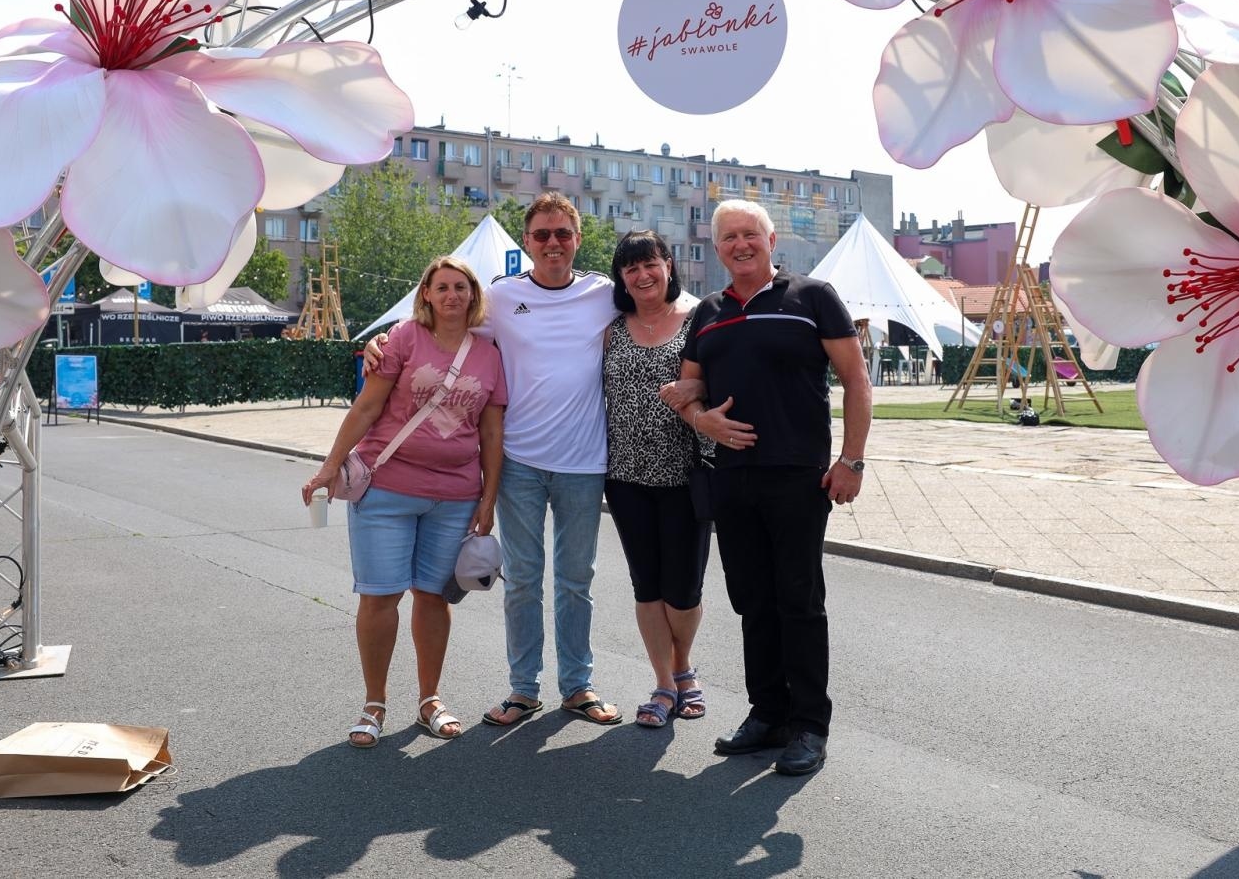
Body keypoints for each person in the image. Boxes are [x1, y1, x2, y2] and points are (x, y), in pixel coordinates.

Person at [363, 192, 622, 727]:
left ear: (577, 239)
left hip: (583, 462)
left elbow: (666, 308)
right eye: (542, 235)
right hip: (521, 462)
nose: (553, 243)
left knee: (577, 579)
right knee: (524, 579)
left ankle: (578, 685)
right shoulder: (503, 297)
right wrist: (381, 342)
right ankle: (523, 689)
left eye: (563, 234)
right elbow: (438, 331)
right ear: (526, 242)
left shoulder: (604, 294)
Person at [663, 199, 872, 776]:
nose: (740, 245)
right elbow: (686, 392)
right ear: (716, 248)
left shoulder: (813, 297)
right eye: (729, 237)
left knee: (799, 601)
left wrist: (852, 460)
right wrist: (701, 420)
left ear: (771, 239)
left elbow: (856, 379)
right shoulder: (705, 314)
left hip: (799, 476)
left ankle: (809, 725)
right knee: (752, 601)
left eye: (749, 234)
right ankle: (767, 714)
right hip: (731, 480)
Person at [304, 256, 506, 746]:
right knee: (380, 596)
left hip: (455, 496)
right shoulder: (403, 339)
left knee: (434, 597)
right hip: (387, 488)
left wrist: (489, 496)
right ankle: (374, 704)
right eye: (443, 287)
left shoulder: (489, 353)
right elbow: (368, 405)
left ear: (474, 296)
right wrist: (331, 465)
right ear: (428, 295)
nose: (453, 295)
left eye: (461, 287)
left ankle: (429, 699)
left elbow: (491, 430)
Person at [603, 231, 712, 728]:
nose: (642, 276)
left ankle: (683, 664)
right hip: (624, 478)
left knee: (683, 588)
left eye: (650, 264)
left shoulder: (698, 321)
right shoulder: (611, 328)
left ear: (668, 265)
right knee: (647, 585)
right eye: (631, 269)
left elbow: (721, 378)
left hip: (685, 476)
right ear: (622, 278)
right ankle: (666, 683)